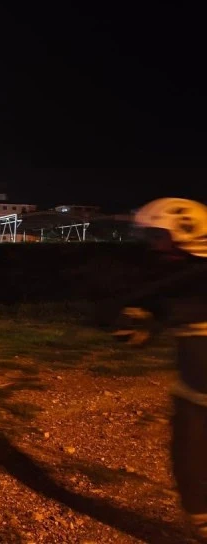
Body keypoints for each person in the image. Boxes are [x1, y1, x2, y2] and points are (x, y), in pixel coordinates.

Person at [129, 198, 207, 540]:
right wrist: (141, 318)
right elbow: (168, 300)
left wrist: (162, 317)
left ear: (187, 233)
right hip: (192, 394)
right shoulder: (179, 272)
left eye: (160, 236)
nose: (156, 246)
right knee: (187, 469)